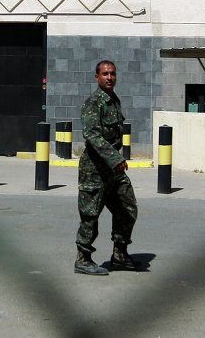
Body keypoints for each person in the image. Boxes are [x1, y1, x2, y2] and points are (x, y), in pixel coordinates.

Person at [74, 60, 141, 275]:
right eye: (105, 74)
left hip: (113, 169)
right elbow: (91, 135)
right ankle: (83, 259)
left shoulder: (113, 101)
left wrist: (115, 162)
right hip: (95, 168)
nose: (109, 77)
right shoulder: (94, 102)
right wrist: (115, 158)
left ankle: (120, 254)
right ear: (97, 77)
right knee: (90, 214)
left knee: (127, 207)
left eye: (112, 73)